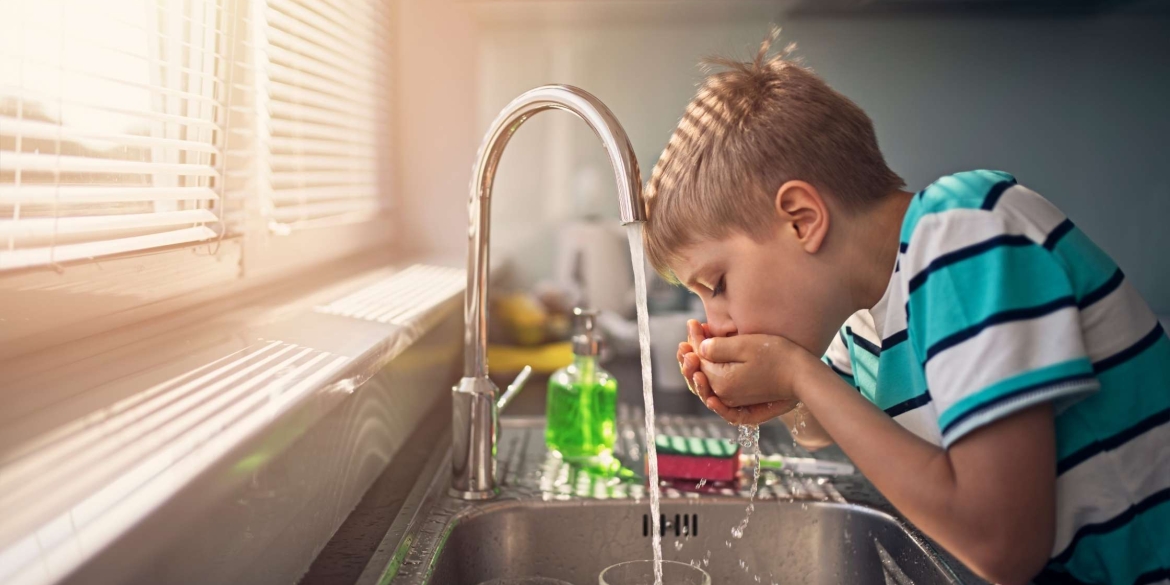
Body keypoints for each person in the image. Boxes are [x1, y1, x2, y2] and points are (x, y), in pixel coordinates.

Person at [647, 29, 1170, 585]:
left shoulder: (963, 235)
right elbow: (822, 425)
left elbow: (1003, 546)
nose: (716, 323)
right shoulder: (864, 310)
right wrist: (774, 394)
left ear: (802, 219)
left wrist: (797, 374)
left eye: (717, 283)